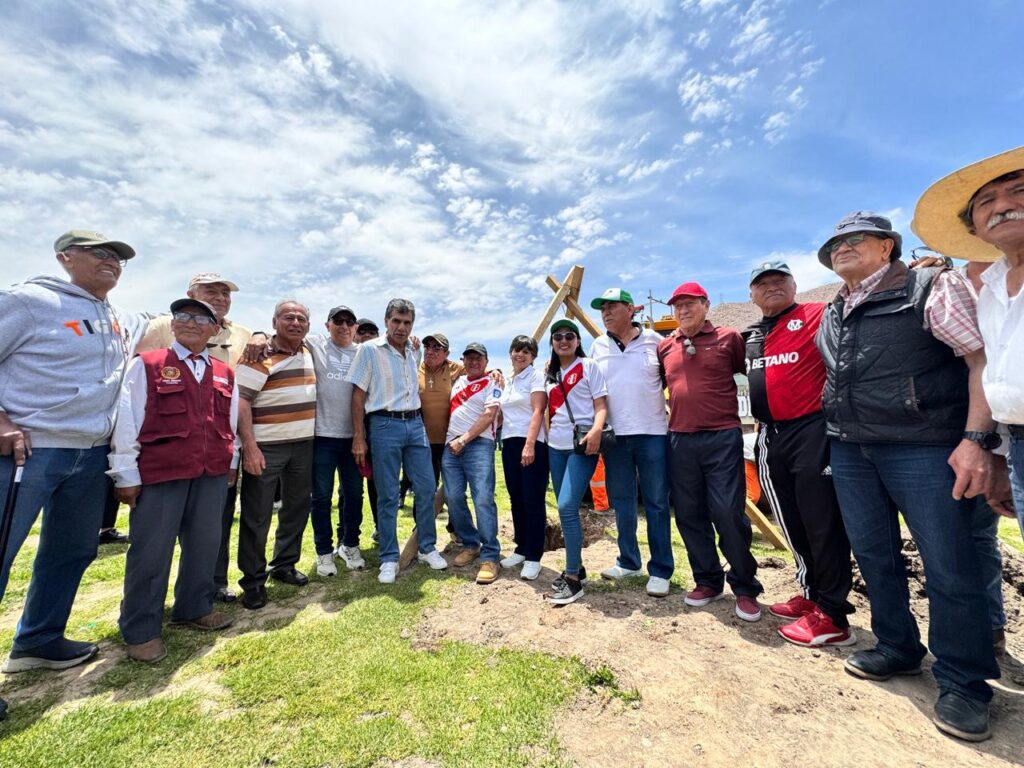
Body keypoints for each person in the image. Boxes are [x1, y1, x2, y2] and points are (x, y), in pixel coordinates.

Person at [815, 211, 999, 742]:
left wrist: (976, 440)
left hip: (924, 447)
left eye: (855, 239)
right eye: (835, 242)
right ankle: (898, 645)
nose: (842, 248)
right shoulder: (836, 309)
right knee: (873, 553)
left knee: (948, 561)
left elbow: (979, 362)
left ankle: (965, 682)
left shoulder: (930, 287)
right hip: (852, 447)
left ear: (887, 246)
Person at [0, 229, 146, 677]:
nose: (112, 262)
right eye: (99, 253)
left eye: (118, 258)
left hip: (90, 453)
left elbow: (163, 325)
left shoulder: (116, 315)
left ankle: (38, 640)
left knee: (72, 550)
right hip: (30, 451)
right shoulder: (28, 301)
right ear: (65, 257)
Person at [108, 298, 237, 662]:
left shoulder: (224, 372)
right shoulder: (148, 365)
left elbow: (228, 425)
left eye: (201, 318)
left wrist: (232, 462)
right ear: (173, 323)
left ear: (215, 329)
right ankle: (141, 629)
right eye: (182, 316)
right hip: (163, 471)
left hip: (211, 471)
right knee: (151, 551)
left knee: (204, 544)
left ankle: (194, 607)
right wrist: (125, 473)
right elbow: (128, 420)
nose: (190, 323)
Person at [742, 262, 854, 646]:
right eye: (762, 283)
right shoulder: (753, 334)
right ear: (752, 295)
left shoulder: (817, 314)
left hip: (812, 429)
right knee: (791, 520)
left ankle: (834, 614)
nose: (771, 286)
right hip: (770, 435)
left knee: (821, 520)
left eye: (779, 280)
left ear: (794, 285)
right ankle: (812, 596)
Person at [913, 146, 1024, 526]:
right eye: (986, 201)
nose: (1002, 205)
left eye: (1019, 191)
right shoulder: (991, 291)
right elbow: (999, 378)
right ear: (974, 227)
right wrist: (999, 451)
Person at [135, 272, 253, 603]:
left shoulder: (240, 335)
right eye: (210, 292)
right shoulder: (159, 330)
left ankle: (205, 593)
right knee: (155, 541)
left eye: (224, 294)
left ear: (215, 328)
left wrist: (233, 454)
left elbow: (231, 407)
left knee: (211, 527)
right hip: (166, 451)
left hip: (216, 451)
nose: (219, 298)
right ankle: (143, 621)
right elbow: (136, 390)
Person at [658, 282, 763, 621]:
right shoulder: (665, 346)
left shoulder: (729, 338)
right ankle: (707, 580)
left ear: (705, 305)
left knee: (727, 511)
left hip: (721, 436)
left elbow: (751, 375)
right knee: (689, 514)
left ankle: (745, 587)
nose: (683, 310)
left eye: (690, 303)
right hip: (680, 439)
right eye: (678, 305)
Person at [348, 299, 448, 584]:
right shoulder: (369, 350)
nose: (401, 327)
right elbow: (357, 395)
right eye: (396, 321)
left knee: (427, 487)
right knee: (389, 494)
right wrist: (359, 436)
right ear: (387, 321)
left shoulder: (414, 351)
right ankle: (389, 557)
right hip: (383, 423)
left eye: (406, 323)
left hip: (416, 424)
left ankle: (427, 547)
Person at [588, 288, 674, 597]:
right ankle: (628, 561)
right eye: (602, 309)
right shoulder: (597, 345)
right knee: (622, 502)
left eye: (612, 307)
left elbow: (672, 376)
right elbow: (589, 385)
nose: (606, 313)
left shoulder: (656, 341)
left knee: (656, 502)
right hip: (616, 436)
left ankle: (661, 569)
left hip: (652, 433)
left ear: (630, 309)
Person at [235, 300, 317, 610]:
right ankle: (253, 582)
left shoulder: (308, 351)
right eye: (288, 317)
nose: (295, 323)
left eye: (301, 318)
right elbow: (241, 403)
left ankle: (284, 564)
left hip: (303, 445)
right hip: (266, 447)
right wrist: (250, 447)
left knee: (296, 508)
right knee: (257, 516)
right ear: (274, 321)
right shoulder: (258, 353)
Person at [544, 319, 609, 606]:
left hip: (582, 445)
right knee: (565, 509)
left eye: (569, 335)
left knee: (567, 506)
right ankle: (578, 567)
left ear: (578, 340)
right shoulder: (549, 373)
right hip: (555, 448)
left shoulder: (589, 366)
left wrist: (597, 430)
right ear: (552, 343)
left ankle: (572, 579)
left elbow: (601, 405)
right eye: (557, 336)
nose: (563, 340)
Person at [307, 306, 366, 575]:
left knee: (354, 494)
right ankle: (323, 552)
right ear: (327, 324)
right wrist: (259, 336)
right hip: (323, 437)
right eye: (338, 321)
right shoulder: (316, 345)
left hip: (353, 438)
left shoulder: (364, 353)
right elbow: (282, 334)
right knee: (320, 497)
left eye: (349, 322)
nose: (344, 326)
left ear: (355, 327)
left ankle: (350, 544)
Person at [443, 343, 503, 584]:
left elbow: (489, 414)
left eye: (479, 358)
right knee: (453, 497)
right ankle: (471, 543)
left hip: (478, 444)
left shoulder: (493, 382)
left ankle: (490, 554)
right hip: (451, 445)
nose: (473, 362)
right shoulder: (457, 380)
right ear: (463, 360)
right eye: (469, 358)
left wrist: (465, 439)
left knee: (482, 498)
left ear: (487, 361)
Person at [497, 335, 549, 581]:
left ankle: (534, 556)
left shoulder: (536, 376)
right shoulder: (508, 380)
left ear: (533, 357)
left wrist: (529, 445)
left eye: (526, 352)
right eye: (516, 350)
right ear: (510, 353)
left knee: (533, 500)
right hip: (509, 442)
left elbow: (538, 410)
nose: (520, 355)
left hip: (531, 443)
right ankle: (521, 547)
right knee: (515, 496)